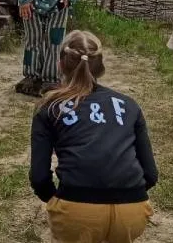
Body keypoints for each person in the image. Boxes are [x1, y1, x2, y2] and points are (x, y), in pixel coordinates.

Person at [30, 30, 158, 243]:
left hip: (76, 210)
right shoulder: (129, 104)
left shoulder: (48, 107)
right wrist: (125, 195)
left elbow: (39, 177)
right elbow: (151, 174)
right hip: (132, 210)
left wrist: (56, 199)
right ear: (101, 67)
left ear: (60, 65)